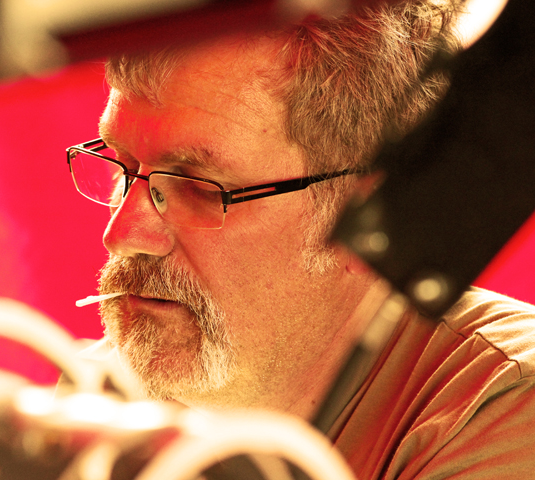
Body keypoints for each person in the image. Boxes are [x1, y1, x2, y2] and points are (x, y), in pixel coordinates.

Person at [66, 0, 535, 478]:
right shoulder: (98, 393)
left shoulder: (502, 407)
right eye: (122, 166)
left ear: (367, 209)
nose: (122, 234)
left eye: (198, 187)